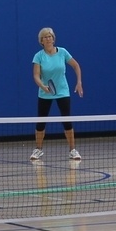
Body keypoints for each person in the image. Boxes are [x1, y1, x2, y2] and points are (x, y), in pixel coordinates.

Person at [30, 27, 84, 161]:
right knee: (41, 121)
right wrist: (43, 86)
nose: (48, 39)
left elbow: (76, 65)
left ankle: (72, 150)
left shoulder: (63, 52)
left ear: (53, 39)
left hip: (62, 92)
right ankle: (38, 149)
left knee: (67, 120)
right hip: (45, 92)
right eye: (45, 37)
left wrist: (79, 82)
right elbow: (36, 76)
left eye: (50, 36)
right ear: (41, 41)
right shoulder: (39, 56)